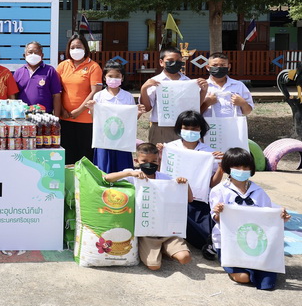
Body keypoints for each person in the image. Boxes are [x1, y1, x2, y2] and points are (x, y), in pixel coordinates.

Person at [210, 147, 291, 290]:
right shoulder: (219, 190)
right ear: (228, 167)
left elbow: (268, 218)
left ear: (251, 168)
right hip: (229, 242)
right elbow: (216, 218)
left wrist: (280, 217)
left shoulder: (259, 191)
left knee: (267, 281)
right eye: (236, 166)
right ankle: (232, 268)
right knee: (243, 277)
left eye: (245, 167)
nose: (241, 170)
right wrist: (218, 212)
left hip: (255, 243)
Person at [104, 142, 193, 270]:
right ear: (136, 161)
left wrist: (185, 184)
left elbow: (189, 199)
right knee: (154, 266)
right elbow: (107, 178)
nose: (149, 164)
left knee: (185, 258)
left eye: (153, 161)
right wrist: (129, 173)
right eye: (144, 161)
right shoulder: (132, 175)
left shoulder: (165, 178)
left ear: (158, 161)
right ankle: (153, 248)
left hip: (167, 229)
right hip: (146, 231)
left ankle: (166, 248)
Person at [161, 110, 223, 260]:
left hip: (198, 198)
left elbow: (212, 183)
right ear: (179, 128)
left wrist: (221, 166)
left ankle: (208, 243)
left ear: (201, 129)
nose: (190, 131)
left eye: (195, 128)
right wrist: (159, 155)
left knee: (204, 230)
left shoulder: (209, 153)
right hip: (173, 197)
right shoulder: (170, 148)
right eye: (186, 128)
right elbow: (161, 175)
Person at [86, 60, 145, 173]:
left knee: (123, 170)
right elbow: (95, 119)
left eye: (117, 76)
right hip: (104, 140)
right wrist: (92, 109)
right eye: (110, 76)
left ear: (122, 78)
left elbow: (131, 120)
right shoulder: (99, 96)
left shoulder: (128, 96)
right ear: (104, 77)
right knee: (104, 170)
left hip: (123, 140)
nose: (114, 79)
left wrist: (138, 113)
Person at [139, 47, 208, 144]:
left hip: (183, 127)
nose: (174, 63)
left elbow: (194, 106)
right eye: (170, 60)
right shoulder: (154, 82)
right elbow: (146, 108)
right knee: (159, 153)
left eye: (178, 61)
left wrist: (203, 91)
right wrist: (144, 89)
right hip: (161, 128)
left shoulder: (188, 82)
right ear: (161, 62)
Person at [56, 34, 102, 165]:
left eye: (79, 47)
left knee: (85, 155)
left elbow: (95, 91)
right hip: (65, 118)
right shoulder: (62, 66)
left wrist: (79, 110)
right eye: (72, 47)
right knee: (67, 154)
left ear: (85, 48)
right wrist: (62, 109)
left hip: (85, 119)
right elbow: (57, 90)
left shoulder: (93, 66)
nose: (75, 50)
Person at [13, 41, 62, 116]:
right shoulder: (18, 72)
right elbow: (14, 96)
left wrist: (56, 118)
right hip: (23, 116)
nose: (33, 55)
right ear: (24, 55)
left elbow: (56, 95)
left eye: (36, 52)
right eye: (30, 52)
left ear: (42, 55)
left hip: (44, 116)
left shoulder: (50, 71)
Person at [201, 52, 254, 117]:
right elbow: (195, 113)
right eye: (215, 65)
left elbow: (247, 111)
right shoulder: (202, 87)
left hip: (233, 123)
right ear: (208, 67)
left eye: (222, 65)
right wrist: (206, 103)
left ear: (228, 67)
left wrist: (243, 103)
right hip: (209, 123)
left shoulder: (239, 85)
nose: (219, 67)